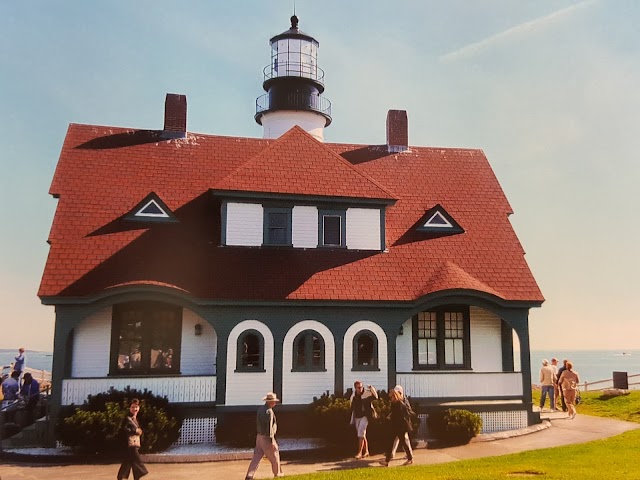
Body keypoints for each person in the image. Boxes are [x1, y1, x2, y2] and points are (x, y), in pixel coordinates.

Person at [245, 392, 283, 479]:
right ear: (270, 402)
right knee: (275, 456)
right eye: (274, 401)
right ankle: (277, 474)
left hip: (259, 437)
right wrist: (272, 440)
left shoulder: (260, 409)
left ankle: (249, 475)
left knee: (256, 457)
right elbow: (269, 427)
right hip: (267, 437)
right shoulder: (269, 411)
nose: (275, 403)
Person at [379, 387, 414, 467]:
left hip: (400, 427)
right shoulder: (394, 404)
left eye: (391, 396)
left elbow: (405, 415)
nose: (390, 398)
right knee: (390, 443)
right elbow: (394, 414)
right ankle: (387, 461)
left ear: (395, 396)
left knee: (404, 443)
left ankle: (410, 458)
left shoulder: (400, 404)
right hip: (395, 426)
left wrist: (404, 425)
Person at [117, 398, 148, 480]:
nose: (135, 409)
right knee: (137, 460)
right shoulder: (127, 418)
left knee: (128, 461)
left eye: (136, 407)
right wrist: (135, 430)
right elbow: (123, 429)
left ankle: (121, 477)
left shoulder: (135, 419)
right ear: (129, 408)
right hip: (129, 444)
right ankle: (139, 474)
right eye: (133, 407)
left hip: (134, 444)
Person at [349, 380, 378, 459]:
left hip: (366, 416)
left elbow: (376, 397)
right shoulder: (353, 396)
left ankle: (359, 453)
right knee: (362, 435)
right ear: (355, 388)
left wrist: (372, 388)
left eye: (361, 387)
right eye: (358, 387)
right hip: (357, 417)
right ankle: (367, 451)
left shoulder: (366, 393)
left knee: (361, 433)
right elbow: (351, 406)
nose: (360, 389)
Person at [390, 384, 414, 460]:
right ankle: (392, 453)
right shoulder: (395, 401)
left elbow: (409, 412)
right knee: (397, 438)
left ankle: (409, 454)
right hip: (399, 423)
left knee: (404, 439)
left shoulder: (404, 402)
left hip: (404, 424)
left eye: (398, 393)